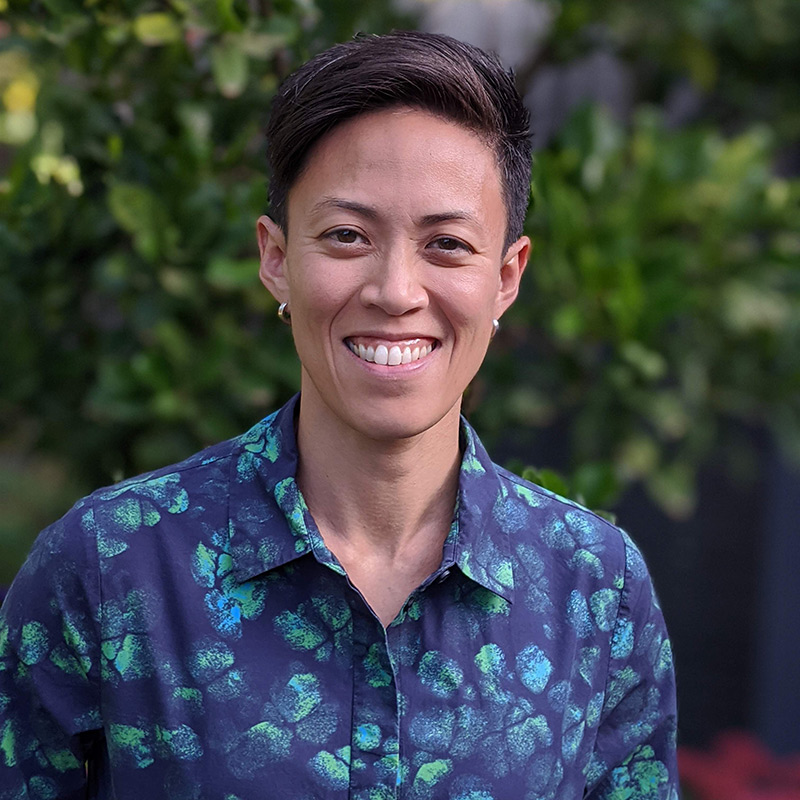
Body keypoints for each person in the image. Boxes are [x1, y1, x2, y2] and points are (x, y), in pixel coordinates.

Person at [0, 30, 678, 800]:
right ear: (276, 258)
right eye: (348, 235)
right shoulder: (109, 565)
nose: (396, 291)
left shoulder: (594, 588)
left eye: (447, 244)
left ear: (506, 277)